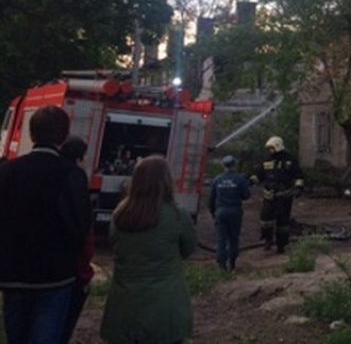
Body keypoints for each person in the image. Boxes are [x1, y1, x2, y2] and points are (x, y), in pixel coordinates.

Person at [0, 106, 91, 344]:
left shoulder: (7, 170)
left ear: (31, 134)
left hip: (14, 276)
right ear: (63, 136)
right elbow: (81, 227)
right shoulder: (73, 175)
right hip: (56, 278)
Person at [100, 156, 197, 344]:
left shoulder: (119, 215)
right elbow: (188, 248)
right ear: (166, 182)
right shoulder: (177, 214)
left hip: (123, 307)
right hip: (167, 309)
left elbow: (114, 245)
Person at [58, 136, 95, 344]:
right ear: (80, 157)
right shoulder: (76, 177)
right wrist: (83, 273)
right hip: (68, 274)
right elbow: (84, 234)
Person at [250, 136, 304, 253]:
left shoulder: (289, 160)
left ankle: (282, 245)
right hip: (269, 195)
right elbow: (259, 175)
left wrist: (299, 187)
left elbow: (298, 175)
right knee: (265, 219)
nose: (270, 151)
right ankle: (267, 240)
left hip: (284, 196)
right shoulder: (267, 160)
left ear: (278, 146)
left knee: (283, 222)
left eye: (272, 148)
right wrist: (250, 181)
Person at [209, 154, 251, 272]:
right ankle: (232, 263)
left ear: (223, 165)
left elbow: (211, 199)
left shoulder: (217, 179)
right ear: (234, 165)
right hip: (235, 212)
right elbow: (246, 196)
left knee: (220, 239)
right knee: (234, 237)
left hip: (220, 212)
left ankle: (222, 265)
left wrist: (214, 213)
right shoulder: (240, 179)